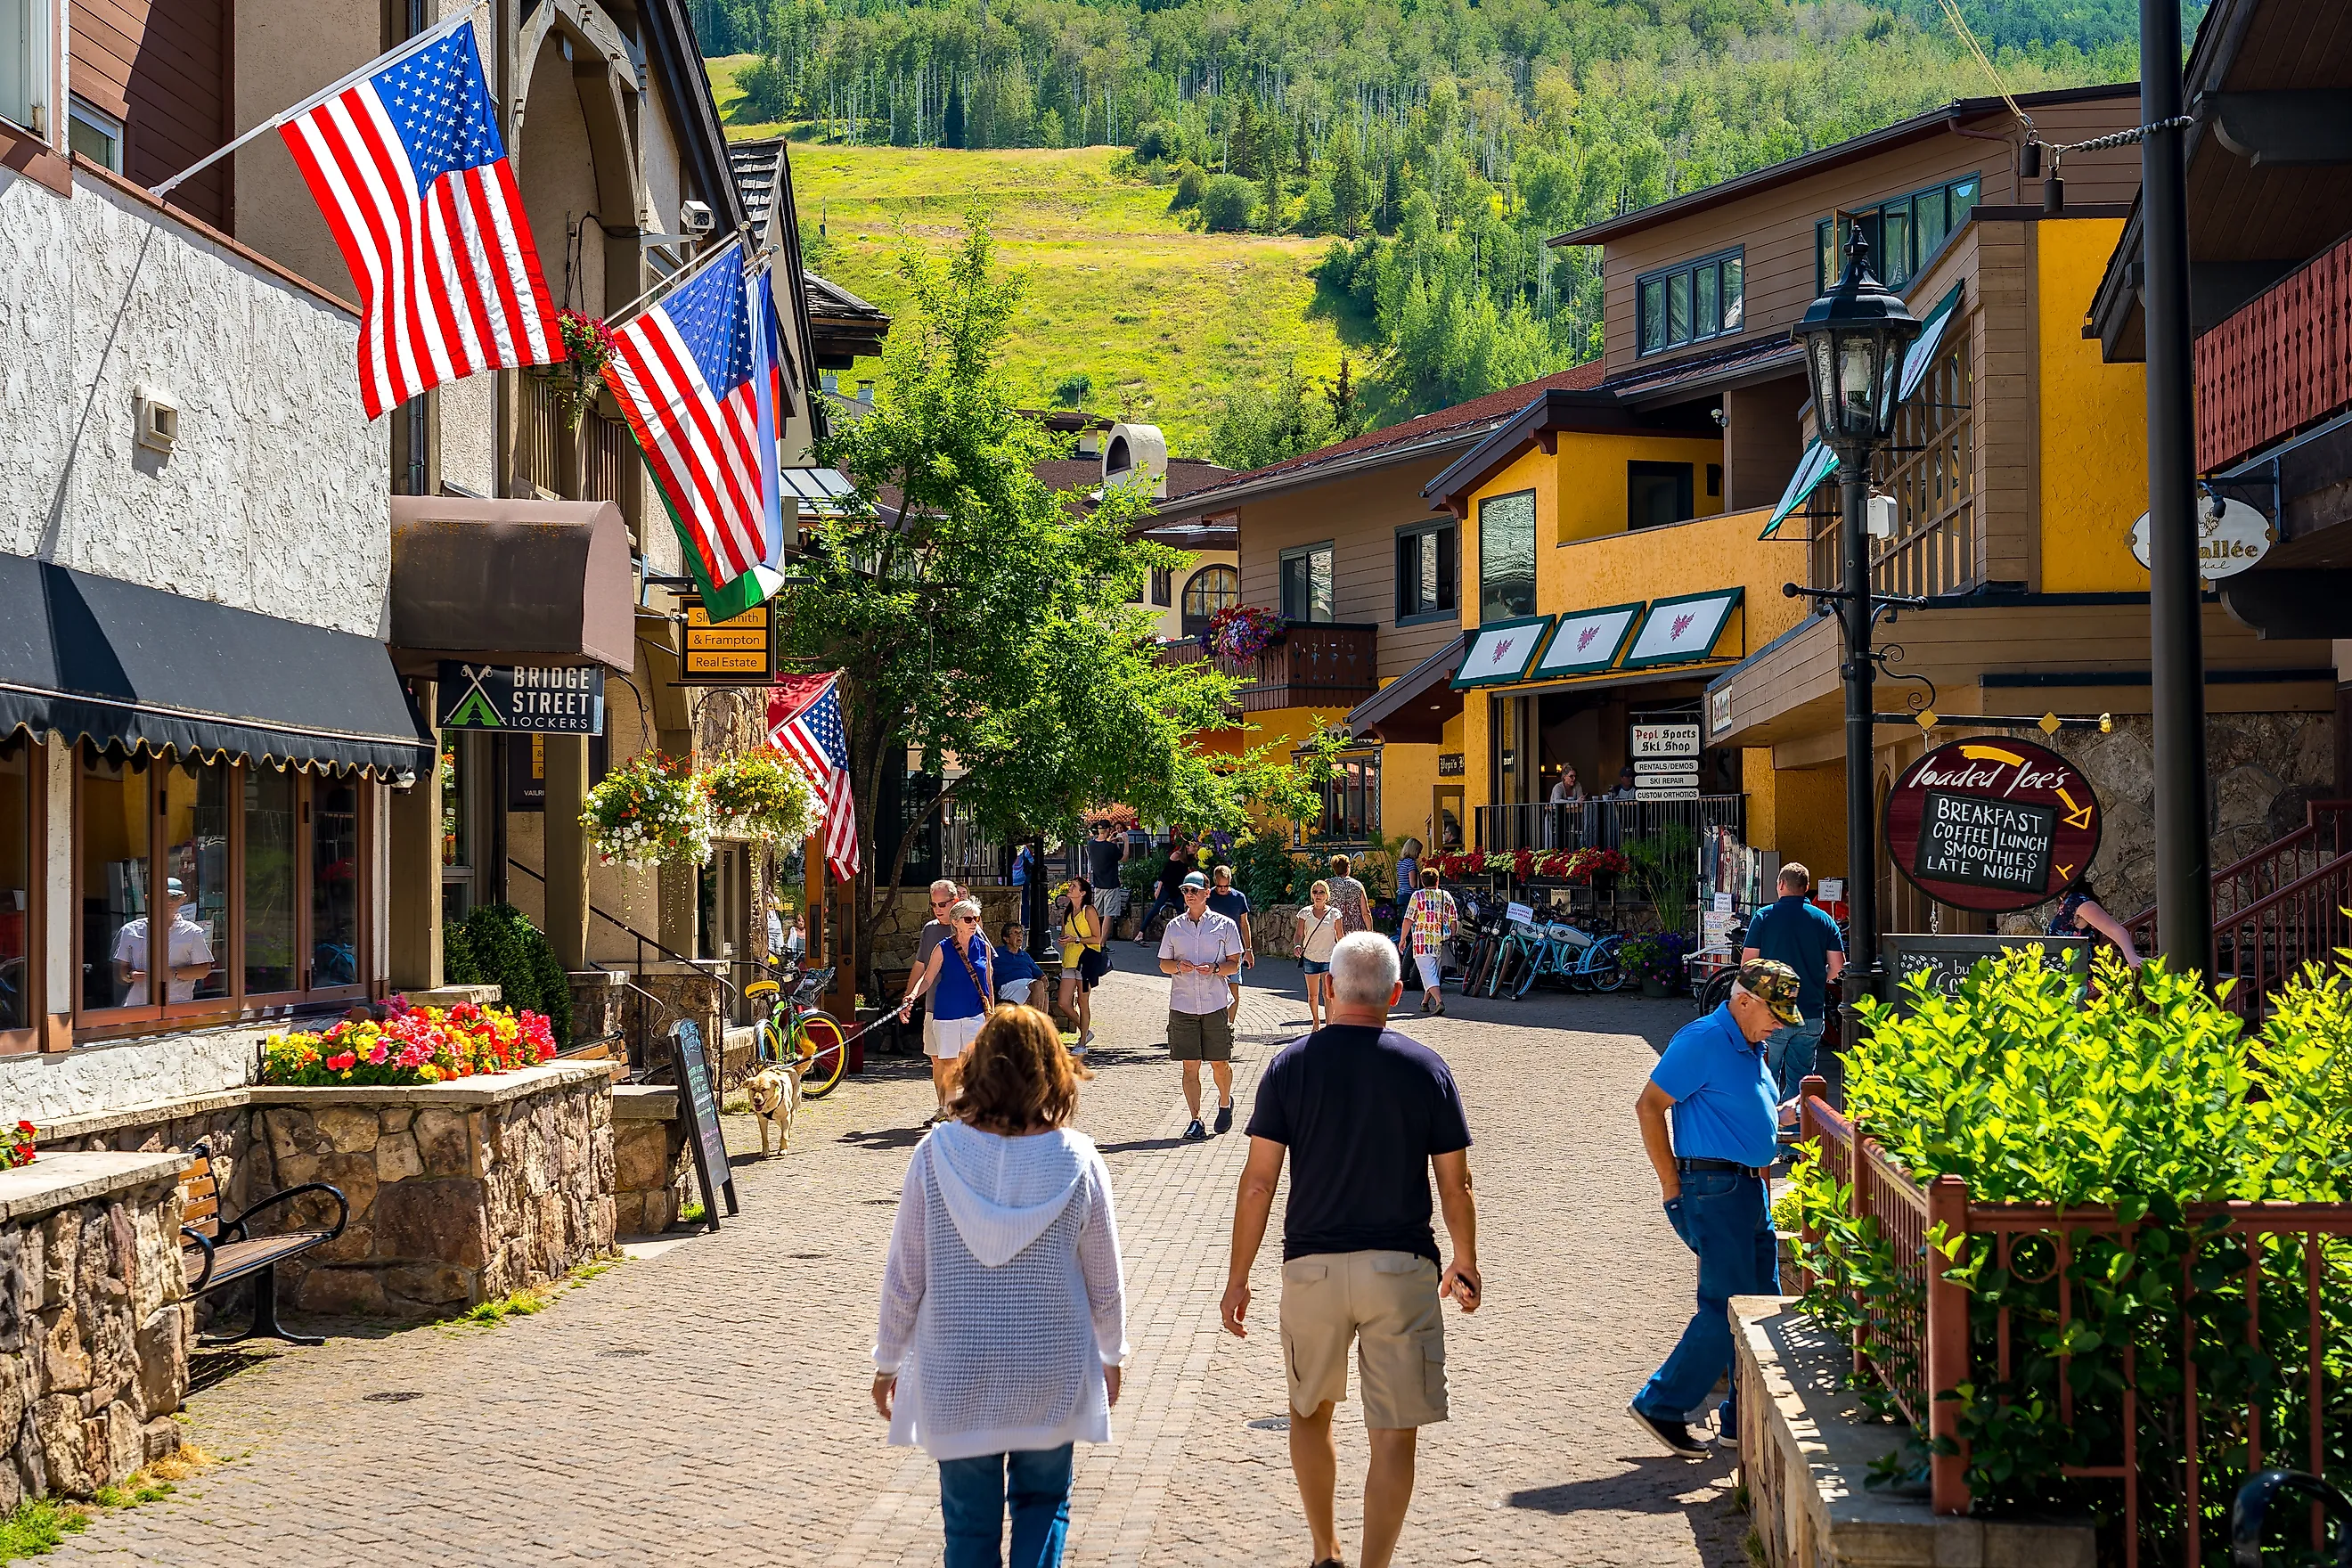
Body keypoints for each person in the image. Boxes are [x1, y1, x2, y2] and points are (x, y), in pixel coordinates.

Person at [1221, 933, 1480, 1568]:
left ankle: (1324, 1550)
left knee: (1309, 1414)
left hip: (1311, 1267)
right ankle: (1373, 1565)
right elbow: (1457, 1182)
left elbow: (1259, 1183)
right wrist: (1465, 1258)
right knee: (1394, 1435)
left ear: (1330, 989)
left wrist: (1238, 1276)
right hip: (1402, 1269)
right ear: (1397, 992)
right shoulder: (1426, 1068)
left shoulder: (1290, 1065)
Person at [873, 1007, 1128, 1568]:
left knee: (968, 1527)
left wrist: (888, 1360)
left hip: (957, 1364)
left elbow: (906, 1275)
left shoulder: (934, 1156)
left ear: (977, 1066)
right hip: (1049, 1363)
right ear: (1052, 1070)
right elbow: (1104, 1279)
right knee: (1043, 1506)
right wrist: (1112, 1353)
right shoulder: (1077, 1160)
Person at [1627, 959, 1803, 1459]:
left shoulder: (1751, 1044)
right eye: (1775, 1011)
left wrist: (1782, 1114)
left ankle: (1736, 1420)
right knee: (1725, 1307)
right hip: (1713, 1188)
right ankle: (1661, 1404)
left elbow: (1746, 1109)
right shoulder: (1703, 1039)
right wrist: (1670, 1185)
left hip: (1747, 1191)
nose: (1780, 1022)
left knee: (1763, 1304)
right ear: (1744, 1000)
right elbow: (1648, 1106)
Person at [1739, 862, 1847, 1096]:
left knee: (1766, 1077)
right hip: (1809, 1012)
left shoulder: (1763, 917)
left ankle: (1769, 1126)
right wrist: (1819, 978)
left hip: (1771, 1013)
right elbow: (1838, 969)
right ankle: (1797, 1127)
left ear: (1780, 884)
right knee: (1802, 1082)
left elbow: (1748, 967)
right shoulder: (1825, 920)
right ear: (1806, 887)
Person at [1157, 872, 1243, 1142]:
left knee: (1219, 1063)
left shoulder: (1225, 925)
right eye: (1185, 891)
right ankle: (1195, 1120)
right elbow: (1163, 964)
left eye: (1194, 890)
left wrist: (1216, 968)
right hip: (1182, 1005)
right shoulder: (1174, 927)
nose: (1189, 895)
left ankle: (1225, 1102)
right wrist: (1177, 966)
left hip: (1214, 1003)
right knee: (1190, 1066)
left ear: (1208, 893)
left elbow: (1234, 963)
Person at [900, 899, 995, 1125]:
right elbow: (928, 977)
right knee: (949, 1065)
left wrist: (991, 1011)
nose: (974, 924)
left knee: (975, 1064)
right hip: (946, 1015)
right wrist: (913, 995)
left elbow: (988, 981)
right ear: (955, 922)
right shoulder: (943, 947)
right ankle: (951, 1114)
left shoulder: (983, 947)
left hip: (974, 1015)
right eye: (969, 919)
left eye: (977, 919)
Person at [113, 878, 213, 1004]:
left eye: (174, 897)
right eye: (162, 897)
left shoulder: (193, 932)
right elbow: (119, 971)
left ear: (183, 899)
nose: (169, 901)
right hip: (137, 1008)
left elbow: (204, 969)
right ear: (148, 898)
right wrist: (129, 976)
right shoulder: (130, 930)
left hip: (176, 1008)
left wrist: (174, 973)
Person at [899, 880, 964, 1056]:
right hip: (933, 1006)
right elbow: (921, 966)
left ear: (955, 902)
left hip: (962, 1007)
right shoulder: (929, 929)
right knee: (936, 1059)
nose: (937, 909)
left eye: (942, 904)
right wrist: (908, 998)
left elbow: (986, 968)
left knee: (959, 1062)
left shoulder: (968, 928)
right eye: (933, 905)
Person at [1055, 879, 1108, 1050]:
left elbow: (1097, 938)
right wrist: (1064, 940)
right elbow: (1065, 934)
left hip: (1086, 963)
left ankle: (1083, 1042)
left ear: (1083, 893)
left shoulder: (1089, 910)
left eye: (1074, 887)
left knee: (1083, 1002)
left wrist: (1076, 939)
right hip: (1070, 961)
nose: (1070, 888)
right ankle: (1085, 1030)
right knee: (1063, 1002)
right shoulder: (1068, 912)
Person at [2046, 877, 2142, 967]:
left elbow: (2115, 930)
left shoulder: (2078, 901)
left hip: (2081, 976)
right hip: (2068, 974)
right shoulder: (2068, 903)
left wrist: (2132, 958)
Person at [1401, 870, 1458, 1017]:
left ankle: (1439, 1002)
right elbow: (1453, 919)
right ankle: (1424, 1003)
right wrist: (1453, 936)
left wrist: (1402, 939)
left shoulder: (1417, 896)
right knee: (1433, 974)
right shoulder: (1445, 896)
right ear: (1437, 881)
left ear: (1422, 881)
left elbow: (1408, 919)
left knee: (1428, 973)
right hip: (1440, 940)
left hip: (1422, 941)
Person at [1205, 863, 1254, 1027]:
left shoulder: (1239, 898)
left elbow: (1244, 924)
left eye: (1226, 886)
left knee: (1234, 988)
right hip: (1212, 949)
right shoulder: (1208, 897)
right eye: (1220, 886)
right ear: (1214, 882)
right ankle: (1213, 1025)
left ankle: (1229, 1026)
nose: (1223, 889)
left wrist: (1248, 950)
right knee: (1212, 989)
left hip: (1234, 950)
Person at [1133, 832, 1196, 944]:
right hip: (1167, 887)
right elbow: (1165, 873)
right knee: (1155, 909)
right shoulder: (1176, 856)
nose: (1195, 849)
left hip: (1177, 889)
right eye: (1193, 846)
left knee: (1181, 912)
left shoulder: (1189, 859)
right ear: (1187, 846)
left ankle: (1185, 937)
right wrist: (1159, 888)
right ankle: (1140, 934)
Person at [1295, 882, 1342, 1031]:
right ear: (1312, 895)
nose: (1318, 895)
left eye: (1322, 892)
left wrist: (1345, 953)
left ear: (1327, 895)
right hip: (1310, 957)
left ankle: (1329, 1026)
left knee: (1328, 994)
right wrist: (1297, 945)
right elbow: (1299, 934)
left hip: (1329, 957)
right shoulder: (1305, 913)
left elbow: (1340, 935)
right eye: (1315, 892)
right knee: (1313, 996)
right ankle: (1316, 1022)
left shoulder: (1335, 913)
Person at [995, 923, 1045, 1007]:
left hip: (1026, 986)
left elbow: (1040, 974)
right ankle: (1037, 1019)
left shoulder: (1025, 955)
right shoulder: (996, 953)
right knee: (1038, 985)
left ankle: (1035, 1019)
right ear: (1006, 939)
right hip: (1008, 986)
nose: (1020, 936)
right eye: (1015, 933)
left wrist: (1043, 978)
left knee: (1043, 994)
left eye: (1021, 933)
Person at [1326, 853, 1372, 937]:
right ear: (1348, 867)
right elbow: (1366, 913)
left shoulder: (1328, 885)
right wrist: (1370, 933)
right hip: (1356, 931)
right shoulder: (1358, 885)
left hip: (1335, 931)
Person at [1391, 839, 1423, 945]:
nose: (1419, 854)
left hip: (1401, 895)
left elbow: (1400, 881)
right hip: (1409, 896)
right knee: (1409, 923)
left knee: (1401, 924)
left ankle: (1399, 943)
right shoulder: (1411, 863)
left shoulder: (1400, 862)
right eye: (1418, 851)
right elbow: (1413, 883)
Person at [1084, 821, 1123, 894]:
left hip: (1098, 886)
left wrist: (1109, 843)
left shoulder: (1091, 845)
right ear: (1108, 830)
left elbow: (1102, 851)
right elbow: (1124, 858)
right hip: (1111, 886)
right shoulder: (1111, 847)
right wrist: (1126, 841)